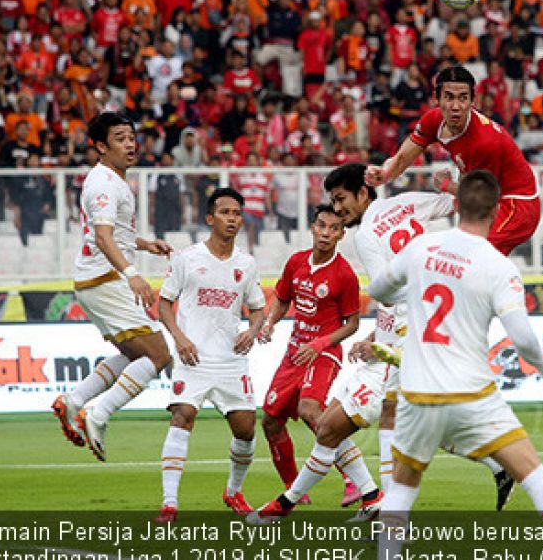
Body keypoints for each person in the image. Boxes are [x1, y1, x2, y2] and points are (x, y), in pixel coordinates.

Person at [247, 164, 514, 523]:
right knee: (349, 425)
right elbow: (456, 204)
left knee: (374, 423)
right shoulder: (404, 204)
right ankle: (493, 467)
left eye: (341, 200)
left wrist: (383, 342)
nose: (338, 210)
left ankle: (373, 512)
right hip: (412, 332)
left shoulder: (367, 235)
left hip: (408, 340)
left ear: (362, 193)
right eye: (332, 202)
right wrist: (451, 182)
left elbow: (390, 294)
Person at [368, 171, 543, 557]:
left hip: (418, 395)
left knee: (402, 486)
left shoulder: (422, 248)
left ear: (458, 204)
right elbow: (522, 338)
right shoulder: (498, 265)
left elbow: (378, 290)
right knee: (533, 474)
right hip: (473, 395)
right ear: (496, 210)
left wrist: (412, 287)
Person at [51, 112, 174, 462]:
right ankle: (97, 414)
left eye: (131, 136)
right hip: (105, 279)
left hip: (94, 279)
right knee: (158, 355)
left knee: (136, 355)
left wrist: (145, 244)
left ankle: (74, 400)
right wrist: (134, 273)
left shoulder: (108, 179)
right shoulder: (105, 182)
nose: (131, 144)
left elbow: (110, 233)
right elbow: (104, 238)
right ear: (101, 146)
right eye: (120, 138)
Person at [153, 188, 267, 522]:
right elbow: (163, 305)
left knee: (246, 430)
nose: (232, 218)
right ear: (209, 218)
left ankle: (233, 492)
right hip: (194, 359)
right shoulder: (187, 258)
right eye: (225, 212)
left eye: (236, 212)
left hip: (231, 360)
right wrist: (179, 338)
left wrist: (252, 330)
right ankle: (169, 503)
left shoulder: (246, 264)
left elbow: (258, 309)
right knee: (182, 416)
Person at [256, 204, 366, 509]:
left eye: (333, 228)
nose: (326, 233)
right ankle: (295, 489)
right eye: (321, 226)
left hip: (324, 353)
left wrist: (319, 344)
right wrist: (269, 322)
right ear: (313, 228)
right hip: (294, 352)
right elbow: (282, 300)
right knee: (270, 422)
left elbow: (353, 323)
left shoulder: (344, 274)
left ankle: (354, 482)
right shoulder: (296, 262)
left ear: (342, 235)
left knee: (309, 409)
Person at [365, 66, 540, 256]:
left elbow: (482, 198)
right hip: (488, 195)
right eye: (449, 97)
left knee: (470, 259)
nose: (455, 106)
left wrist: (448, 186)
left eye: (463, 98)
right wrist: (385, 173)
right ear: (437, 98)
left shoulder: (486, 142)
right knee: (464, 263)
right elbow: (402, 157)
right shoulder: (433, 120)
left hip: (517, 205)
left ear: (473, 101)